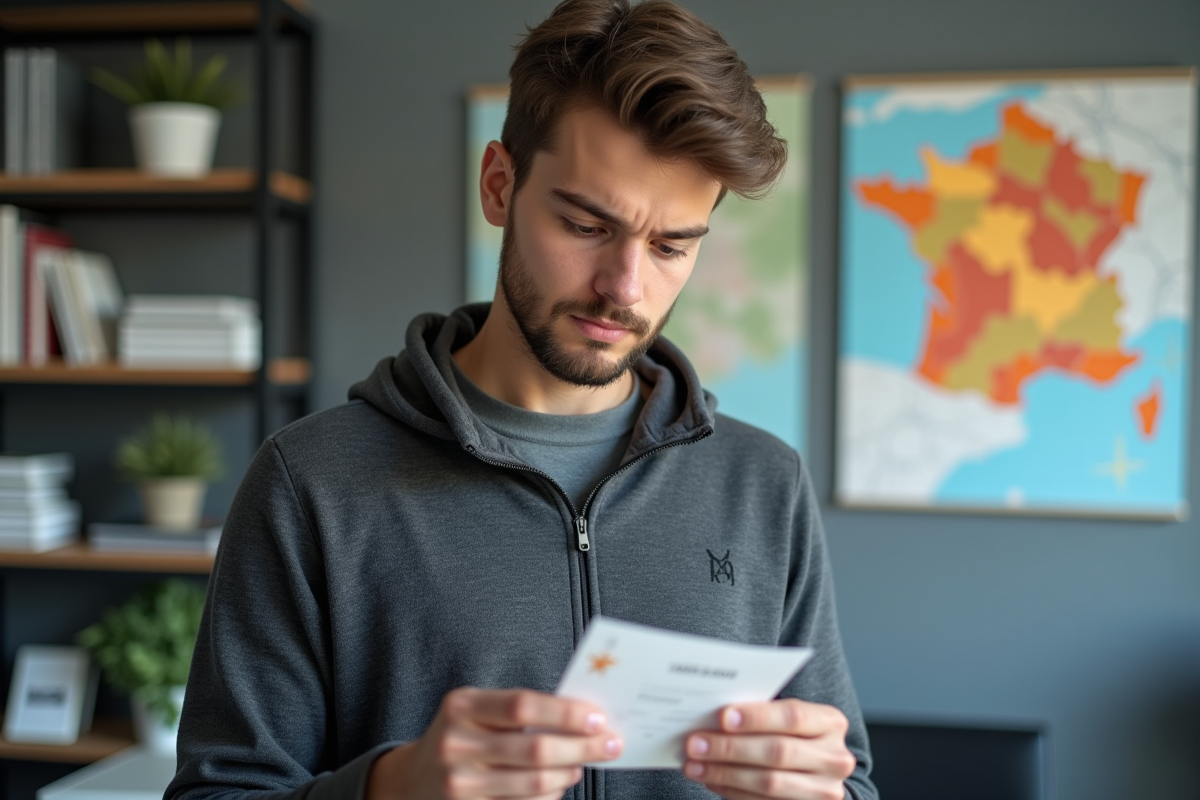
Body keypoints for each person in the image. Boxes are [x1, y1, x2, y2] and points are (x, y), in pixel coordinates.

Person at [166, 1, 877, 798]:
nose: (624, 287)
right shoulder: (312, 482)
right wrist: (391, 789)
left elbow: (851, 782)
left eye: (672, 245)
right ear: (500, 186)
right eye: (584, 225)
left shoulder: (764, 483)